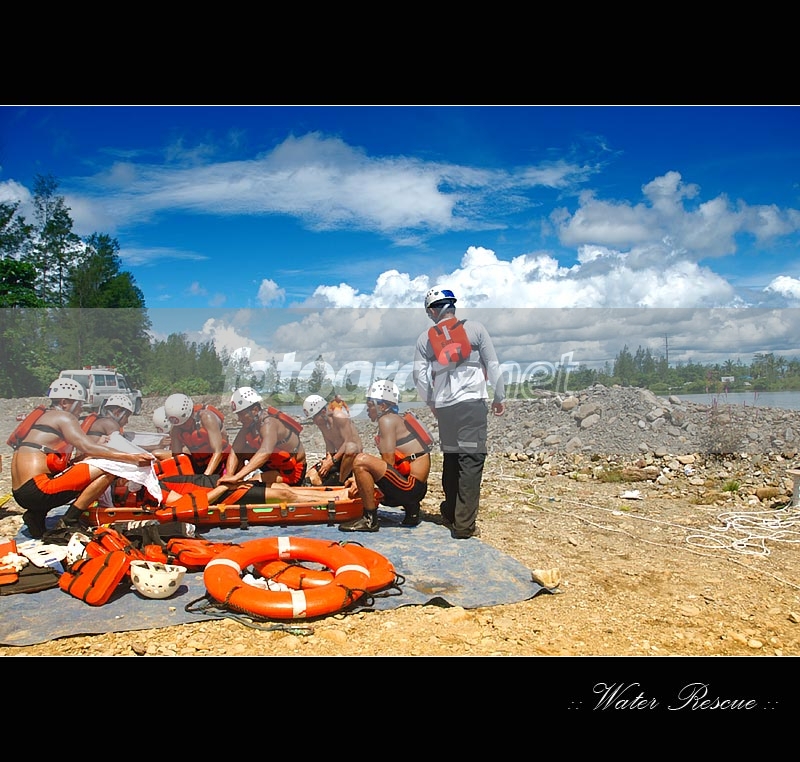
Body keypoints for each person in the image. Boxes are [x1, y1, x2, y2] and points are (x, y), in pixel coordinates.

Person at [413, 287, 505, 539]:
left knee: (452, 459)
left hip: (445, 408)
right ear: (452, 306)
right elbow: (493, 364)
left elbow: (419, 377)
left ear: (432, 311)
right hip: (472, 405)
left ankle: (451, 513)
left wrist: (432, 403)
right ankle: (464, 525)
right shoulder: (476, 329)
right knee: (470, 461)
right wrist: (499, 396)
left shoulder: (424, 339)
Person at [10, 378, 156, 538]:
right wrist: (132, 457)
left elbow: (72, 461)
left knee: (86, 465)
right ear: (65, 402)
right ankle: (70, 520)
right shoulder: (63, 417)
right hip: (38, 490)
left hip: (21, 493)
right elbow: (88, 447)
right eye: (79, 404)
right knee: (111, 467)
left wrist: (89, 455)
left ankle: (35, 516)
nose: (81, 410)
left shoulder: (43, 418)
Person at [338, 379, 430, 532]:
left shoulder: (386, 420)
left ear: (382, 406)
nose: (367, 410)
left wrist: (360, 481)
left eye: (369, 405)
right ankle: (412, 511)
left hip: (409, 488)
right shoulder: (396, 419)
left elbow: (388, 463)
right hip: (417, 488)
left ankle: (369, 520)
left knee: (360, 461)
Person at [219, 387, 307, 489]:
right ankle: (231, 485)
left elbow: (265, 452)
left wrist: (237, 477)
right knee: (242, 451)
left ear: (255, 410)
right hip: (272, 464)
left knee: (252, 482)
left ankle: (238, 484)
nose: (239, 419)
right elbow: (235, 449)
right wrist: (229, 475)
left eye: (242, 415)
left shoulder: (269, 424)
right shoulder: (250, 423)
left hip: (292, 471)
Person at [164, 393, 231, 476]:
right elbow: (177, 458)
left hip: (222, 463)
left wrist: (205, 476)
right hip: (199, 465)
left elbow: (218, 451)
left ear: (192, 413)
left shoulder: (207, 418)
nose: (183, 426)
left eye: (185, 422)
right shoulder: (176, 429)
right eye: (180, 425)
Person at [302, 393, 363, 486]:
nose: (314, 421)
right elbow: (329, 444)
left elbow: (348, 441)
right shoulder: (322, 423)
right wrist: (327, 460)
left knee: (351, 448)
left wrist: (331, 462)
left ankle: (341, 482)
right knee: (309, 477)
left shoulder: (339, 417)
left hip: (352, 457)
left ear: (323, 412)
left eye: (314, 418)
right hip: (338, 457)